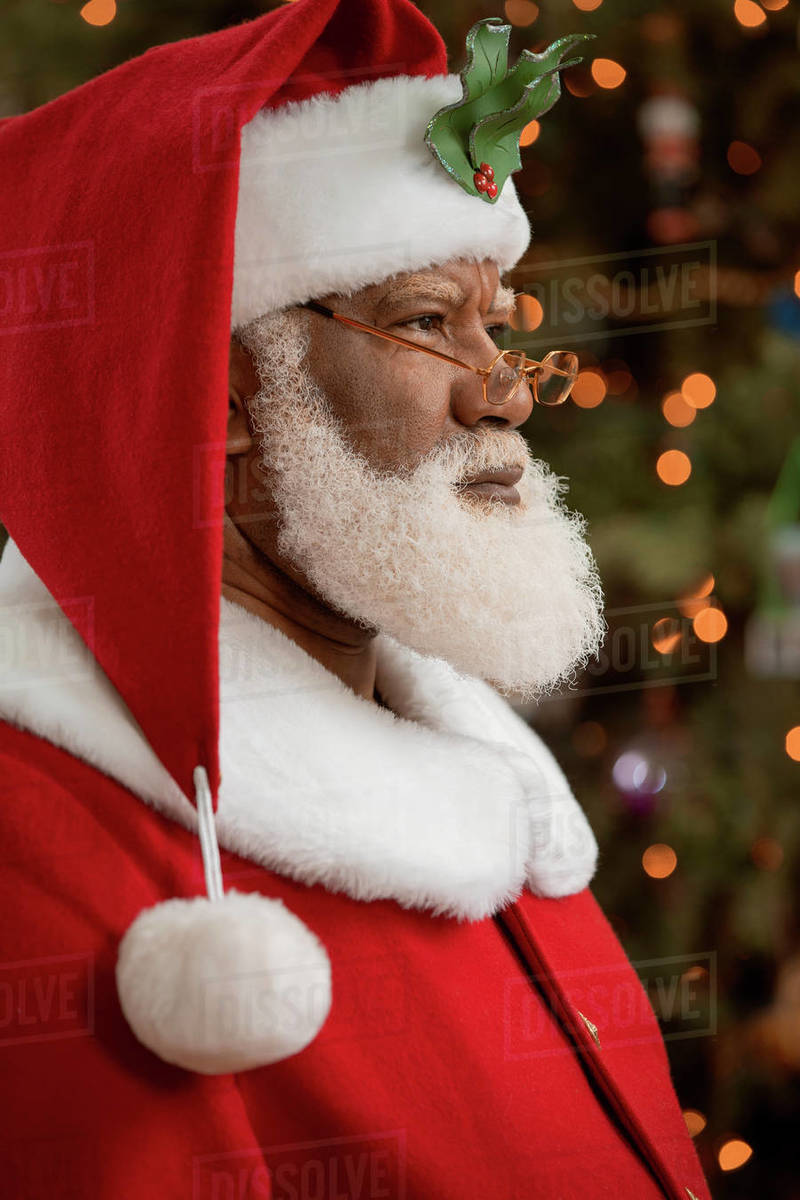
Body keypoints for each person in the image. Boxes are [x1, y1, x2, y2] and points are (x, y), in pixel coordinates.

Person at [0, 0, 711, 1196]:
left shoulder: (508, 818)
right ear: (220, 398)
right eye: (429, 323)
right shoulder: (43, 849)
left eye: (499, 325)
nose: (505, 396)